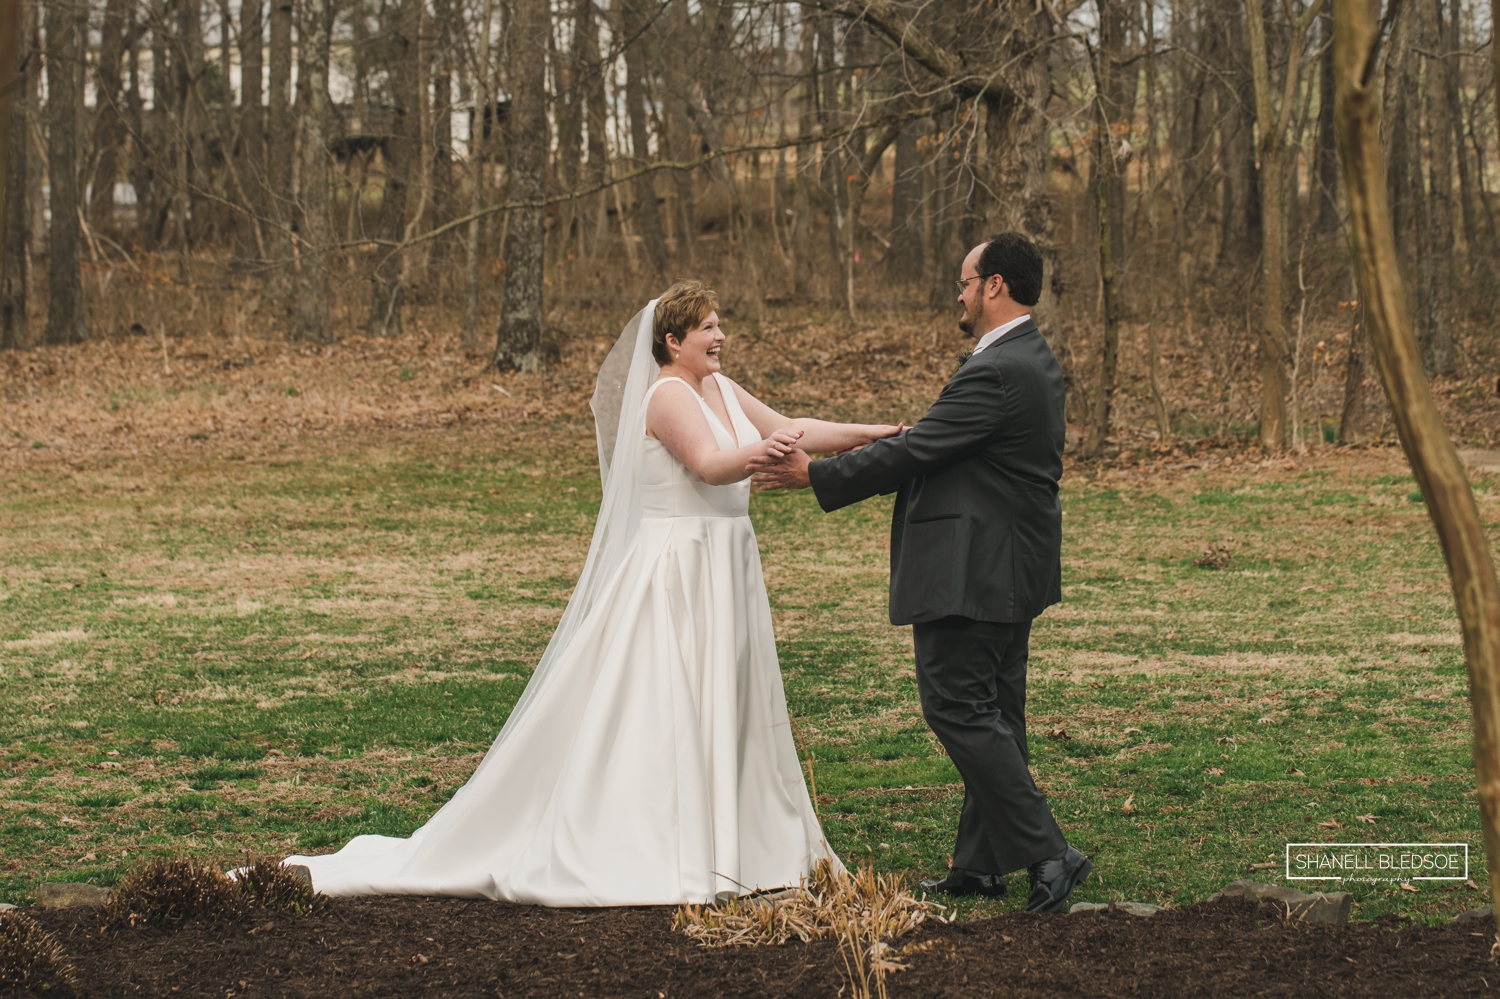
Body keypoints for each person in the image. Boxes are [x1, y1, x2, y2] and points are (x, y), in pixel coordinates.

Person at [283, 282, 901, 905]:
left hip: (726, 561)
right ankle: (655, 839)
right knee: (665, 700)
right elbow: (711, 465)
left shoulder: (720, 388)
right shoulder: (665, 395)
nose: (720, 338)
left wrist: (873, 435)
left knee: (727, 699)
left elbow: (792, 426)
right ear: (672, 341)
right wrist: (761, 452)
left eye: (720, 325)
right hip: (679, 569)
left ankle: (740, 838)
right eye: (708, 329)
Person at [751, 232, 1092, 913]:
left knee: (956, 705)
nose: (958, 294)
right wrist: (884, 435)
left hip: (976, 569)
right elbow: (936, 438)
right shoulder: (1025, 358)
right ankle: (981, 863)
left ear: (995, 285)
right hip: (1009, 563)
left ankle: (1050, 849)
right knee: (995, 712)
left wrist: (813, 474)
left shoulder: (997, 369)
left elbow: (921, 451)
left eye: (965, 281)